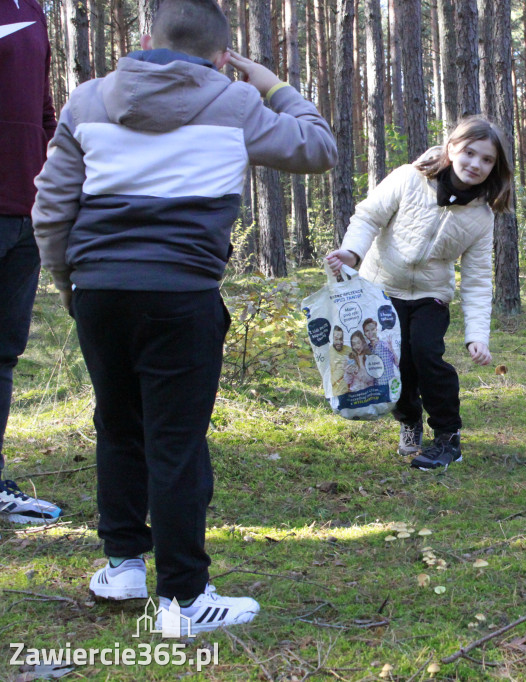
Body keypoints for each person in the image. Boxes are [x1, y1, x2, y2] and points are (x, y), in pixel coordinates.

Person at [32, 0, 337, 631]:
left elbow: (52, 207)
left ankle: (121, 569)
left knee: (117, 425)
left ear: (146, 39)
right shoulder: (237, 104)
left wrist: (70, 284)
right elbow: (319, 146)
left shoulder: (86, 101)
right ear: (224, 57)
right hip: (182, 293)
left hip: (100, 290)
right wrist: (271, 84)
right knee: (174, 440)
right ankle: (185, 599)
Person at [326, 115, 512, 470]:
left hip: (431, 296)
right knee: (397, 364)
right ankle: (409, 420)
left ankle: (447, 437)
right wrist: (352, 253)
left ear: (495, 166)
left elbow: (476, 278)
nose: (476, 164)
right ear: (452, 148)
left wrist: (477, 336)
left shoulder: (482, 216)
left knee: (427, 356)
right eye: (470, 153)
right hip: (381, 289)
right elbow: (368, 217)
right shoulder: (409, 178)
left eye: (487, 159)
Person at [0, 0, 63, 525]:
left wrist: (48, 194)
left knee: (2, 355)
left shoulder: (35, 9)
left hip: (24, 211)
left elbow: (42, 110)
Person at [362, 317, 397, 388]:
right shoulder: (366, 350)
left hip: (390, 386)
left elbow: (397, 363)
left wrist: (392, 350)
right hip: (376, 389)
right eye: (367, 331)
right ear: (364, 333)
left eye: (372, 329)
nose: (370, 333)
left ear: (376, 329)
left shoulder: (386, 345)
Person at [329, 326, 353, 396]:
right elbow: (329, 381)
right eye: (336, 339)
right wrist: (341, 369)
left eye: (341, 339)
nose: (339, 342)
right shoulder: (329, 354)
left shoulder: (349, 350)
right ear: (332, 339)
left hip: (353, 391)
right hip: (338, 394)